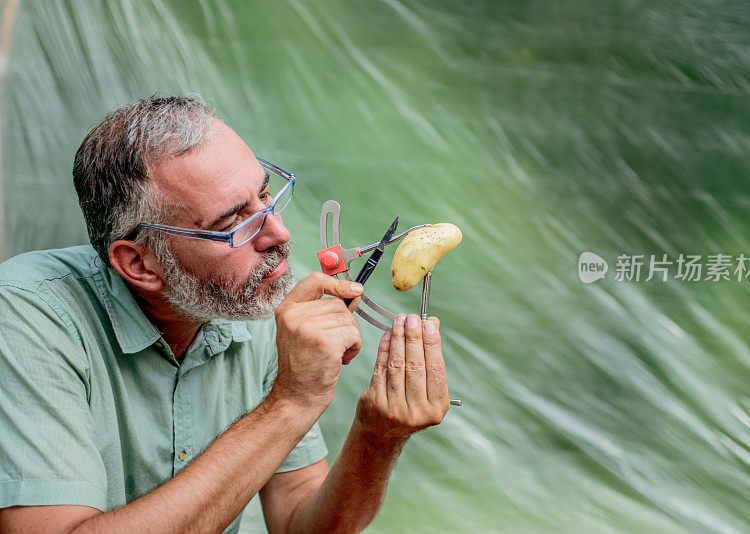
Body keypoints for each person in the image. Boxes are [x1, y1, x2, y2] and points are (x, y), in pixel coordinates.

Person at [0, 96, 450, 533]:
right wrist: (289, 403)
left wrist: (377, 436)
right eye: (233, 223)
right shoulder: (27, 315)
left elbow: (299, 522)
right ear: (140, 264)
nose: (278, 232)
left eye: (265, 195)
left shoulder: (254, 304)